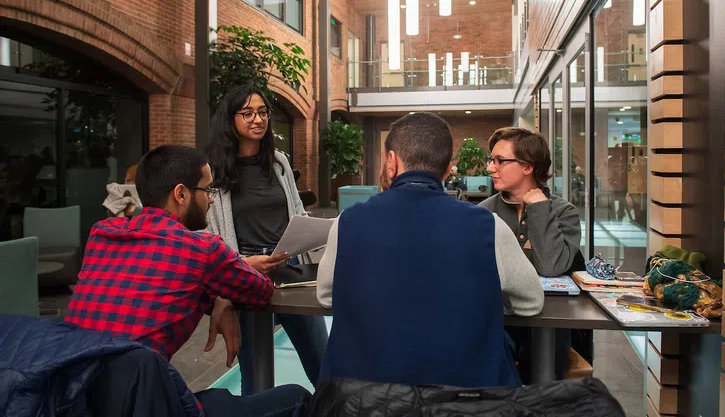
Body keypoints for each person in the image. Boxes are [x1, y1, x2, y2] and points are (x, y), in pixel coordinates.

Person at [66, 145, 310, 416]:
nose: (213, 200)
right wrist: (232, 274)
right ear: (181, 194)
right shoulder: (201, 249)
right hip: (143, 404)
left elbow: (157, 281)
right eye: (207, 190)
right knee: (296, 398)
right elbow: (261, 291)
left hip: (74, 397)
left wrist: (216, 294)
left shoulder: (102, 233)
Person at [316, 112, 544, 388]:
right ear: (448, 170)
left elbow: (326, 295)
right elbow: (531, 302)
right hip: (467, 401)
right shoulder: (488, 225)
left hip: (361, 400)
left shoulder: (347, 222)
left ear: (391, 162)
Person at [206, 84, 328, 394]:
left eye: (262, 112)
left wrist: (312, 234)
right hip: (244, 269)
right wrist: (238, 265)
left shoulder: (278, 161)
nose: (257, 119)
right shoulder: (213, 170)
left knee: (323, 362)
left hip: (290, 266)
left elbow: (297, 211)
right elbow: (207, 233)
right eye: (247, 113)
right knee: (255, 373)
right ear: (230, 119)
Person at [479, 126, 585, 383]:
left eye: (500, 161)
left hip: (550, 324)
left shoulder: (563, 212)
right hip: (498, 322)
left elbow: (550, 265)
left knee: (544, 371)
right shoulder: (483, 213)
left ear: (528, 166)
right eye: (491, 160)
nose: (491, 167)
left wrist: (538, 207)